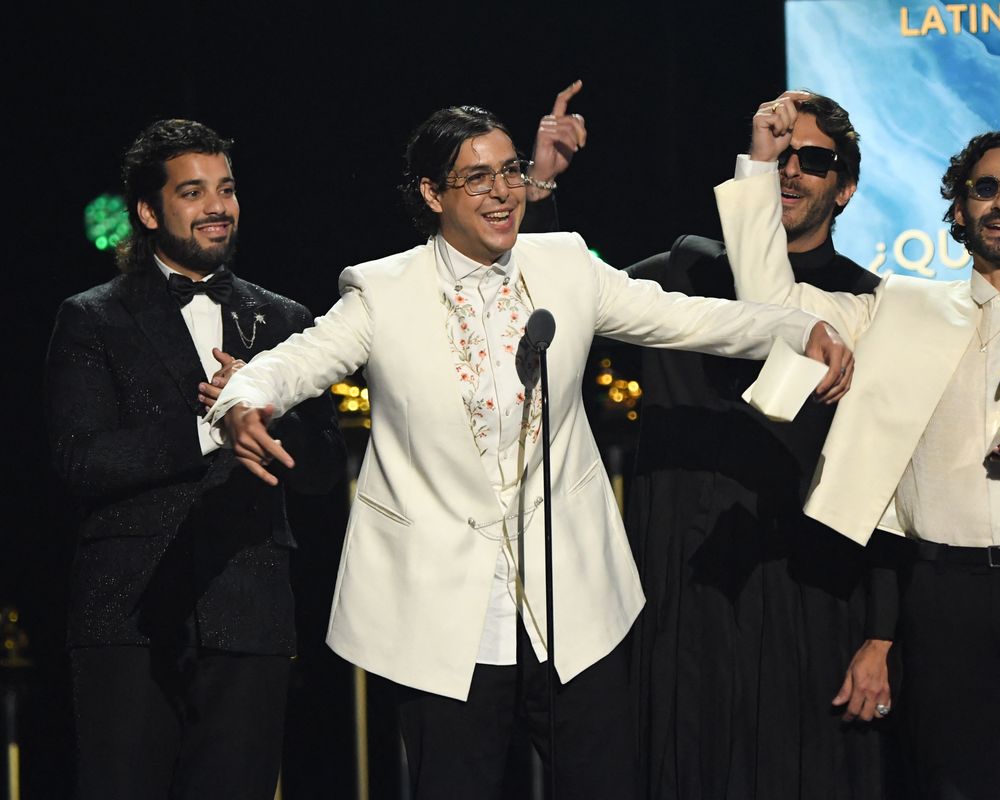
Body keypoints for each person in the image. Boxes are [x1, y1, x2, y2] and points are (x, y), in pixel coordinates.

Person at [207, 103, 853, 799]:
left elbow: (689, 317)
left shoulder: (566, 264)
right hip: (444, 611)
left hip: (572, 600)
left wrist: (797, 326)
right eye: (476, 178)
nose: (503, 191)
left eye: (510, 171)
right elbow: (302, 358)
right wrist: (242, 397)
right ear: (432, 194)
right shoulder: (382, 290)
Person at [716, 115, 1000, 798]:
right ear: (960, 208)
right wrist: (757, 165)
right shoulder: (898, 305)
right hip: (942, 594)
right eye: (985, 188)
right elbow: (771, 304)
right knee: (951, 785)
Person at [44, 119, 344, 799]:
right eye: (193, 192)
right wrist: (214, 426)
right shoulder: (93, 317)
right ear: (149, 212)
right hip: (130, 615)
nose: (218, 206)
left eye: (227, 189)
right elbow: (79, 460)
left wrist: (270, 416)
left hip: (250, 614)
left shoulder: (284, 321)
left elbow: (325, 471)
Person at [623, 90, 896, 798]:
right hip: (681, 582)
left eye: (814, 159)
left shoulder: (874, 304)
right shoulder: (676, 277)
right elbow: (561, 302)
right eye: (778, 155)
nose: (791, 170)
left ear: (846, 187)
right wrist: (547, 192)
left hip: (808, 588)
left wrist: (883, 630)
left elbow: (887, 475)